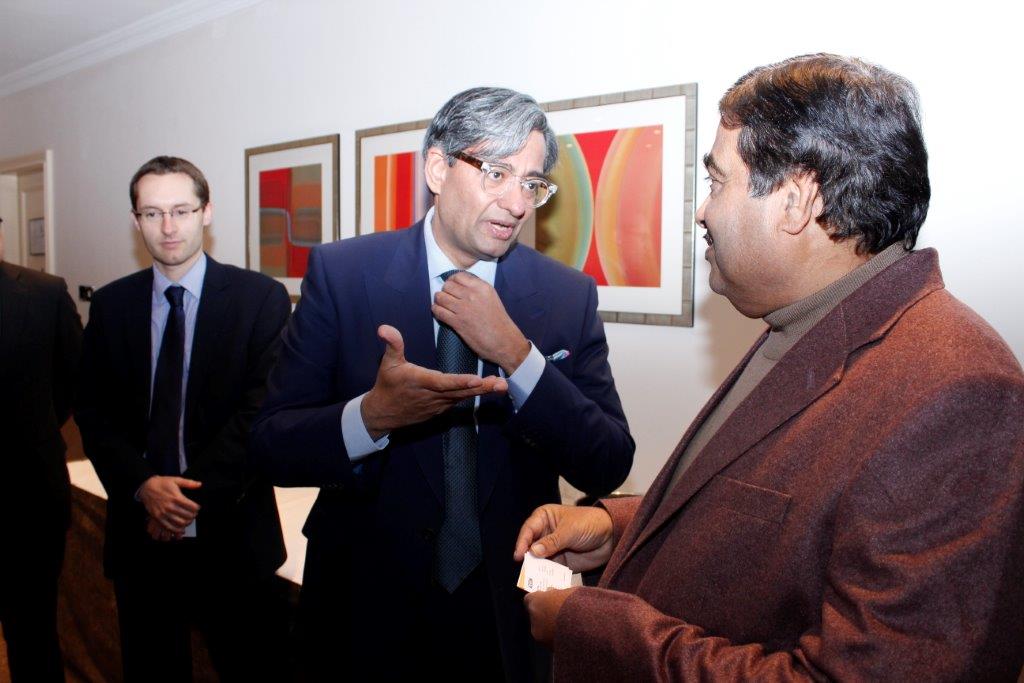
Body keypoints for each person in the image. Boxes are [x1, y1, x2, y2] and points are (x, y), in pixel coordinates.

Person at [516, 54, 1024, 681]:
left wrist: (591, 629)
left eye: (718, 182)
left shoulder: (959, 393)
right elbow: (774, 515)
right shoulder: (811, 320)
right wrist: (617, 526)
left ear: (797, 200)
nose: (702, 212)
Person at [251, 87, 635, 681]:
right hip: (364, 598)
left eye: (531, 183)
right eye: (498, 173)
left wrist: (517, 353)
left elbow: (607, 461)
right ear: (437, 167)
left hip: (506, 603)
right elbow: (272, 442)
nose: (517, 203)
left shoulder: (566, 296)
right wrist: (372, 417)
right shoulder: (343, 274)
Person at [75, 156, 292, 681]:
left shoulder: (259, 299)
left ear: (207, 211)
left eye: (180, 210)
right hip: (141, 544)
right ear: (135, 220)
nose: (168, 228)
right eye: (152, 214)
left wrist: (180, 503)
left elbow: (258, 413)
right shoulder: (111, 305)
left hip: (232, 536)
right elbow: (94, 411)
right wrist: (144, 486)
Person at [0, 217, 82, 682]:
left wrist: (30, 430)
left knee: (32, 636)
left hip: (27, 501)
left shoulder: (45, 293)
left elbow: (74, 382)